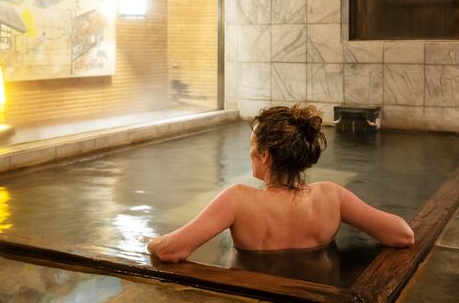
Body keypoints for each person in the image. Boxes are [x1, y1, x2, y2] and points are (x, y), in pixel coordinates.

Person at [147, 104, 415, 263]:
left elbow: (171, 250)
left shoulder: (237, 200)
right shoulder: (332, 197)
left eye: (252, 147)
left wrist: (151, 242)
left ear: (265, 154)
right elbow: (402, 235)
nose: (249, 153)